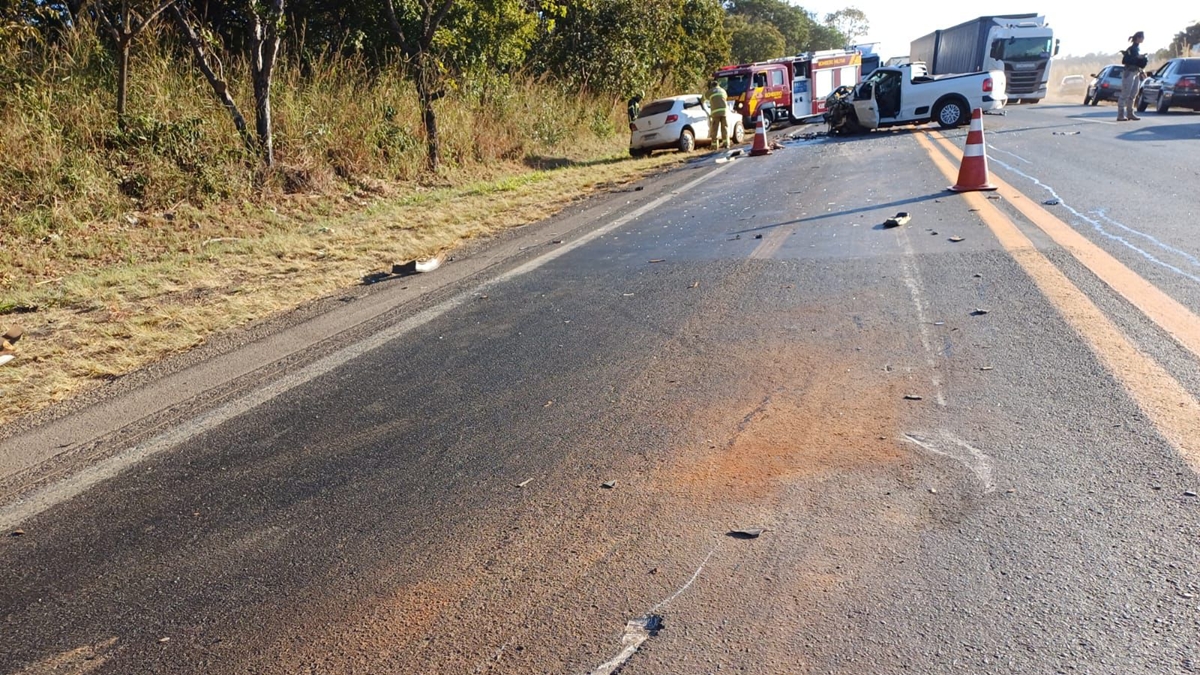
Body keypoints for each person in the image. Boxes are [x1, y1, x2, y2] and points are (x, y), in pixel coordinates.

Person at [1117, 31, 1147, 121]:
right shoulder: (1131, 49)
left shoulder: (1137, 48)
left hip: (1136, 72)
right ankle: (1120, 114)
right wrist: (1137, 58)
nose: (1143, 39)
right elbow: (1126, 60)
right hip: (1129, 72)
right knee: (1125, 94)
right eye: (1142, 37)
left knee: (1133, 94)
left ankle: (1130, 113)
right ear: (1138, 38)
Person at [706, 79, 730, 149]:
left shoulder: (710, 91)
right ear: (718, 85)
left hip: (715, 114)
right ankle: (726, 144)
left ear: (711, 86)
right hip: (724, 113)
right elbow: (725, 98)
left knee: (714, 129)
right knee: (724, 128)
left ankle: (714, 146)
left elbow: (703, 98)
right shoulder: (723, 91)